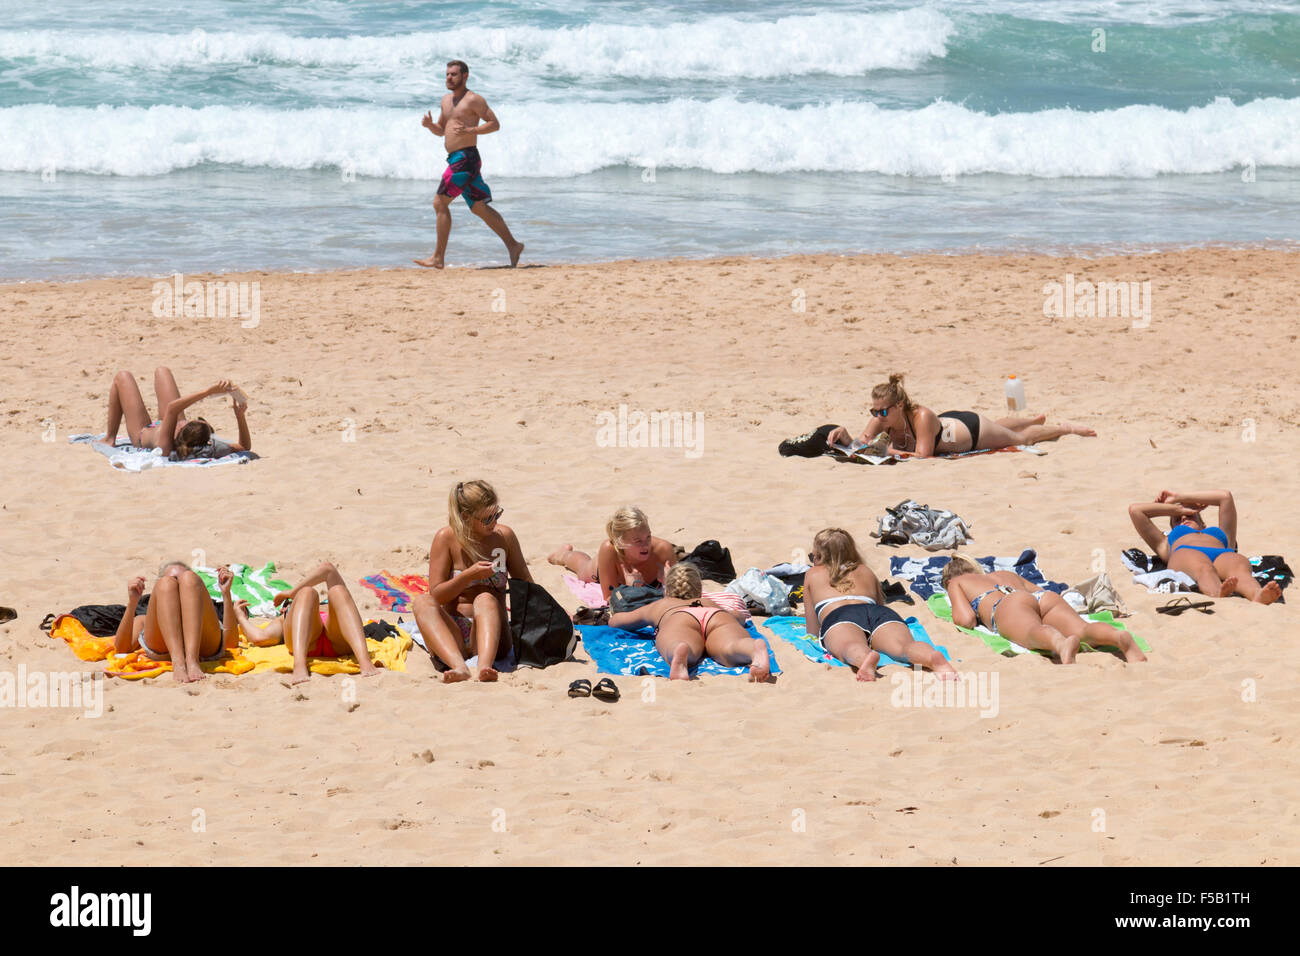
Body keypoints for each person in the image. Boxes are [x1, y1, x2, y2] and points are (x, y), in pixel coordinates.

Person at [410, 480, 533, 682]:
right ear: (466, 517)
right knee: (422, 601)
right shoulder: (446, 538)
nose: (494, 522)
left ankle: (484, 667)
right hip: (454, 634)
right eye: (487, 518)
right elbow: (437, 595)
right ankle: (460, 667)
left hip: (492, 634)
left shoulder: (504, 537)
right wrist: (468, 576)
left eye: (497, 514)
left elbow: (527, 584)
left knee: (485, 597)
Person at [803, 528, 956, 681]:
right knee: (903, 646)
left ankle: (865, 659)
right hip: (879, 613)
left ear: (820, 556)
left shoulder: (812, 574)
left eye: (813, 556)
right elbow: (879, 604)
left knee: (850, 646)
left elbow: (812, 627)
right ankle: (931, 657)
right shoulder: (865, 570)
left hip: (840, 616)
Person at [414, 60, 524, 270]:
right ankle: (513, 245)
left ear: (465, 76)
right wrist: (430, 126)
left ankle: (438, 257)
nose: (449, 78)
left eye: (454, 74)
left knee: (439, 203)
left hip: (466, 158)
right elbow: (442, 130)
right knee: (479, 207)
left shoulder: (474, 99)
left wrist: (471, 131)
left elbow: (494, 124)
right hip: (457, 158)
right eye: (447, 74)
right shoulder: (446, 101)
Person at [826, 372, 1093, 458]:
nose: (877, 416)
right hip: (949, 423)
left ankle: (1063, 428)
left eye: (882, 411)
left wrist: (886, 451)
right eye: (874, 411)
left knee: (1021, 438)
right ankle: (1034, 418)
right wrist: (846, 436)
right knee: (1000, 425)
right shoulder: (881, 417)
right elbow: (862, 444)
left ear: (898, 407)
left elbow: (923, 456)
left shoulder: (921, 417)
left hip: (971, 432)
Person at [942, 555, 1147, 663]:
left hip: (1007, 604)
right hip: (1042, 598)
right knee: (1083, 629)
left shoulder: (956, 583)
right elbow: (1039, 592)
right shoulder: (1003, 573)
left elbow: (965, 619)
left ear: (949, 579)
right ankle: (1117, 637)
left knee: (1034, 631)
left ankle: (1061, 644)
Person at [608, 563, 770, 681]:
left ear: (667, 590)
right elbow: (738, 617)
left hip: (679, 617)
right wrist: (737, 618)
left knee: (677, 642)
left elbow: (618, 622)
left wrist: (613, 616)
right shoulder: (707, 601)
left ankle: (679, 651)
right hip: (716, 615)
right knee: (731, 646)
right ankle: (752, 649)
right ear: (699, 589)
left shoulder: (660, 605)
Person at [229, 561, 381, 685]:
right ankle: (299, 665)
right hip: (308, 644)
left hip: (337, 637)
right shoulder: (283, 620)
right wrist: (241, 618)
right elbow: (260, 637)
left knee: (338, 591)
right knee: (307, 592)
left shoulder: (328, 605)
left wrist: (291, 593)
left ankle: (365, 662)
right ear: (285, 608)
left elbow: (328, 569)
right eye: (291, 603)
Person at [1128, 489, 1282, 604]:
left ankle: (1256, 595)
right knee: (1204, 568)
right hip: (1187, 555)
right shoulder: (1166, 543)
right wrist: (1177, 509)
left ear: (1203, 523)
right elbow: (1135, 511)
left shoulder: (1224, 535)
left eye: (1189, 515)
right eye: (1177, 520)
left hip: (1223, 553)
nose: (1183, 518)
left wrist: (1180, 497)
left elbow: (1225, 497)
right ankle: (1217, 593)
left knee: (1240, 570)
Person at [113, 562, 238, 683]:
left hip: (203, 647)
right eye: (176, 581)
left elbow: (231, 643)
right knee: (166, 583)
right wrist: (132, 603)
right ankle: (178, 662)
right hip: (162, 648)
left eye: (181, 583)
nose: (178, 587)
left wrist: (226, 594)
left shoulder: (204, 615)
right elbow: (122, 648)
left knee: (190, 577)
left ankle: (192, 659)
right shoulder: (144, 620)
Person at [104, 366, 249, 459]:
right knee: (162, 371)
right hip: (165, 424)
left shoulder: (165, 445)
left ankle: (109, 438)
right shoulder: (208, 444)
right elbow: (244, 446)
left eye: (188, 423)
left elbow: (172, 409)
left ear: (181, 431)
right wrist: (240, 417)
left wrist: (208, 392)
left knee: (122, 376)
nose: (185, 420)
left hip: (142, 432)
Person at [547, 506, 678, 604]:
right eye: (638, 541)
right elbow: (609, 598)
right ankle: (563, 554)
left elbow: (682, 591)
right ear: (620, 542)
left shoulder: (663, 550)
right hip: (600, 572)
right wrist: (631, 590)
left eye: (648, 537)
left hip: (629, 581)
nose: (646, 545)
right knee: (582, 567)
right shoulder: (609, 549)